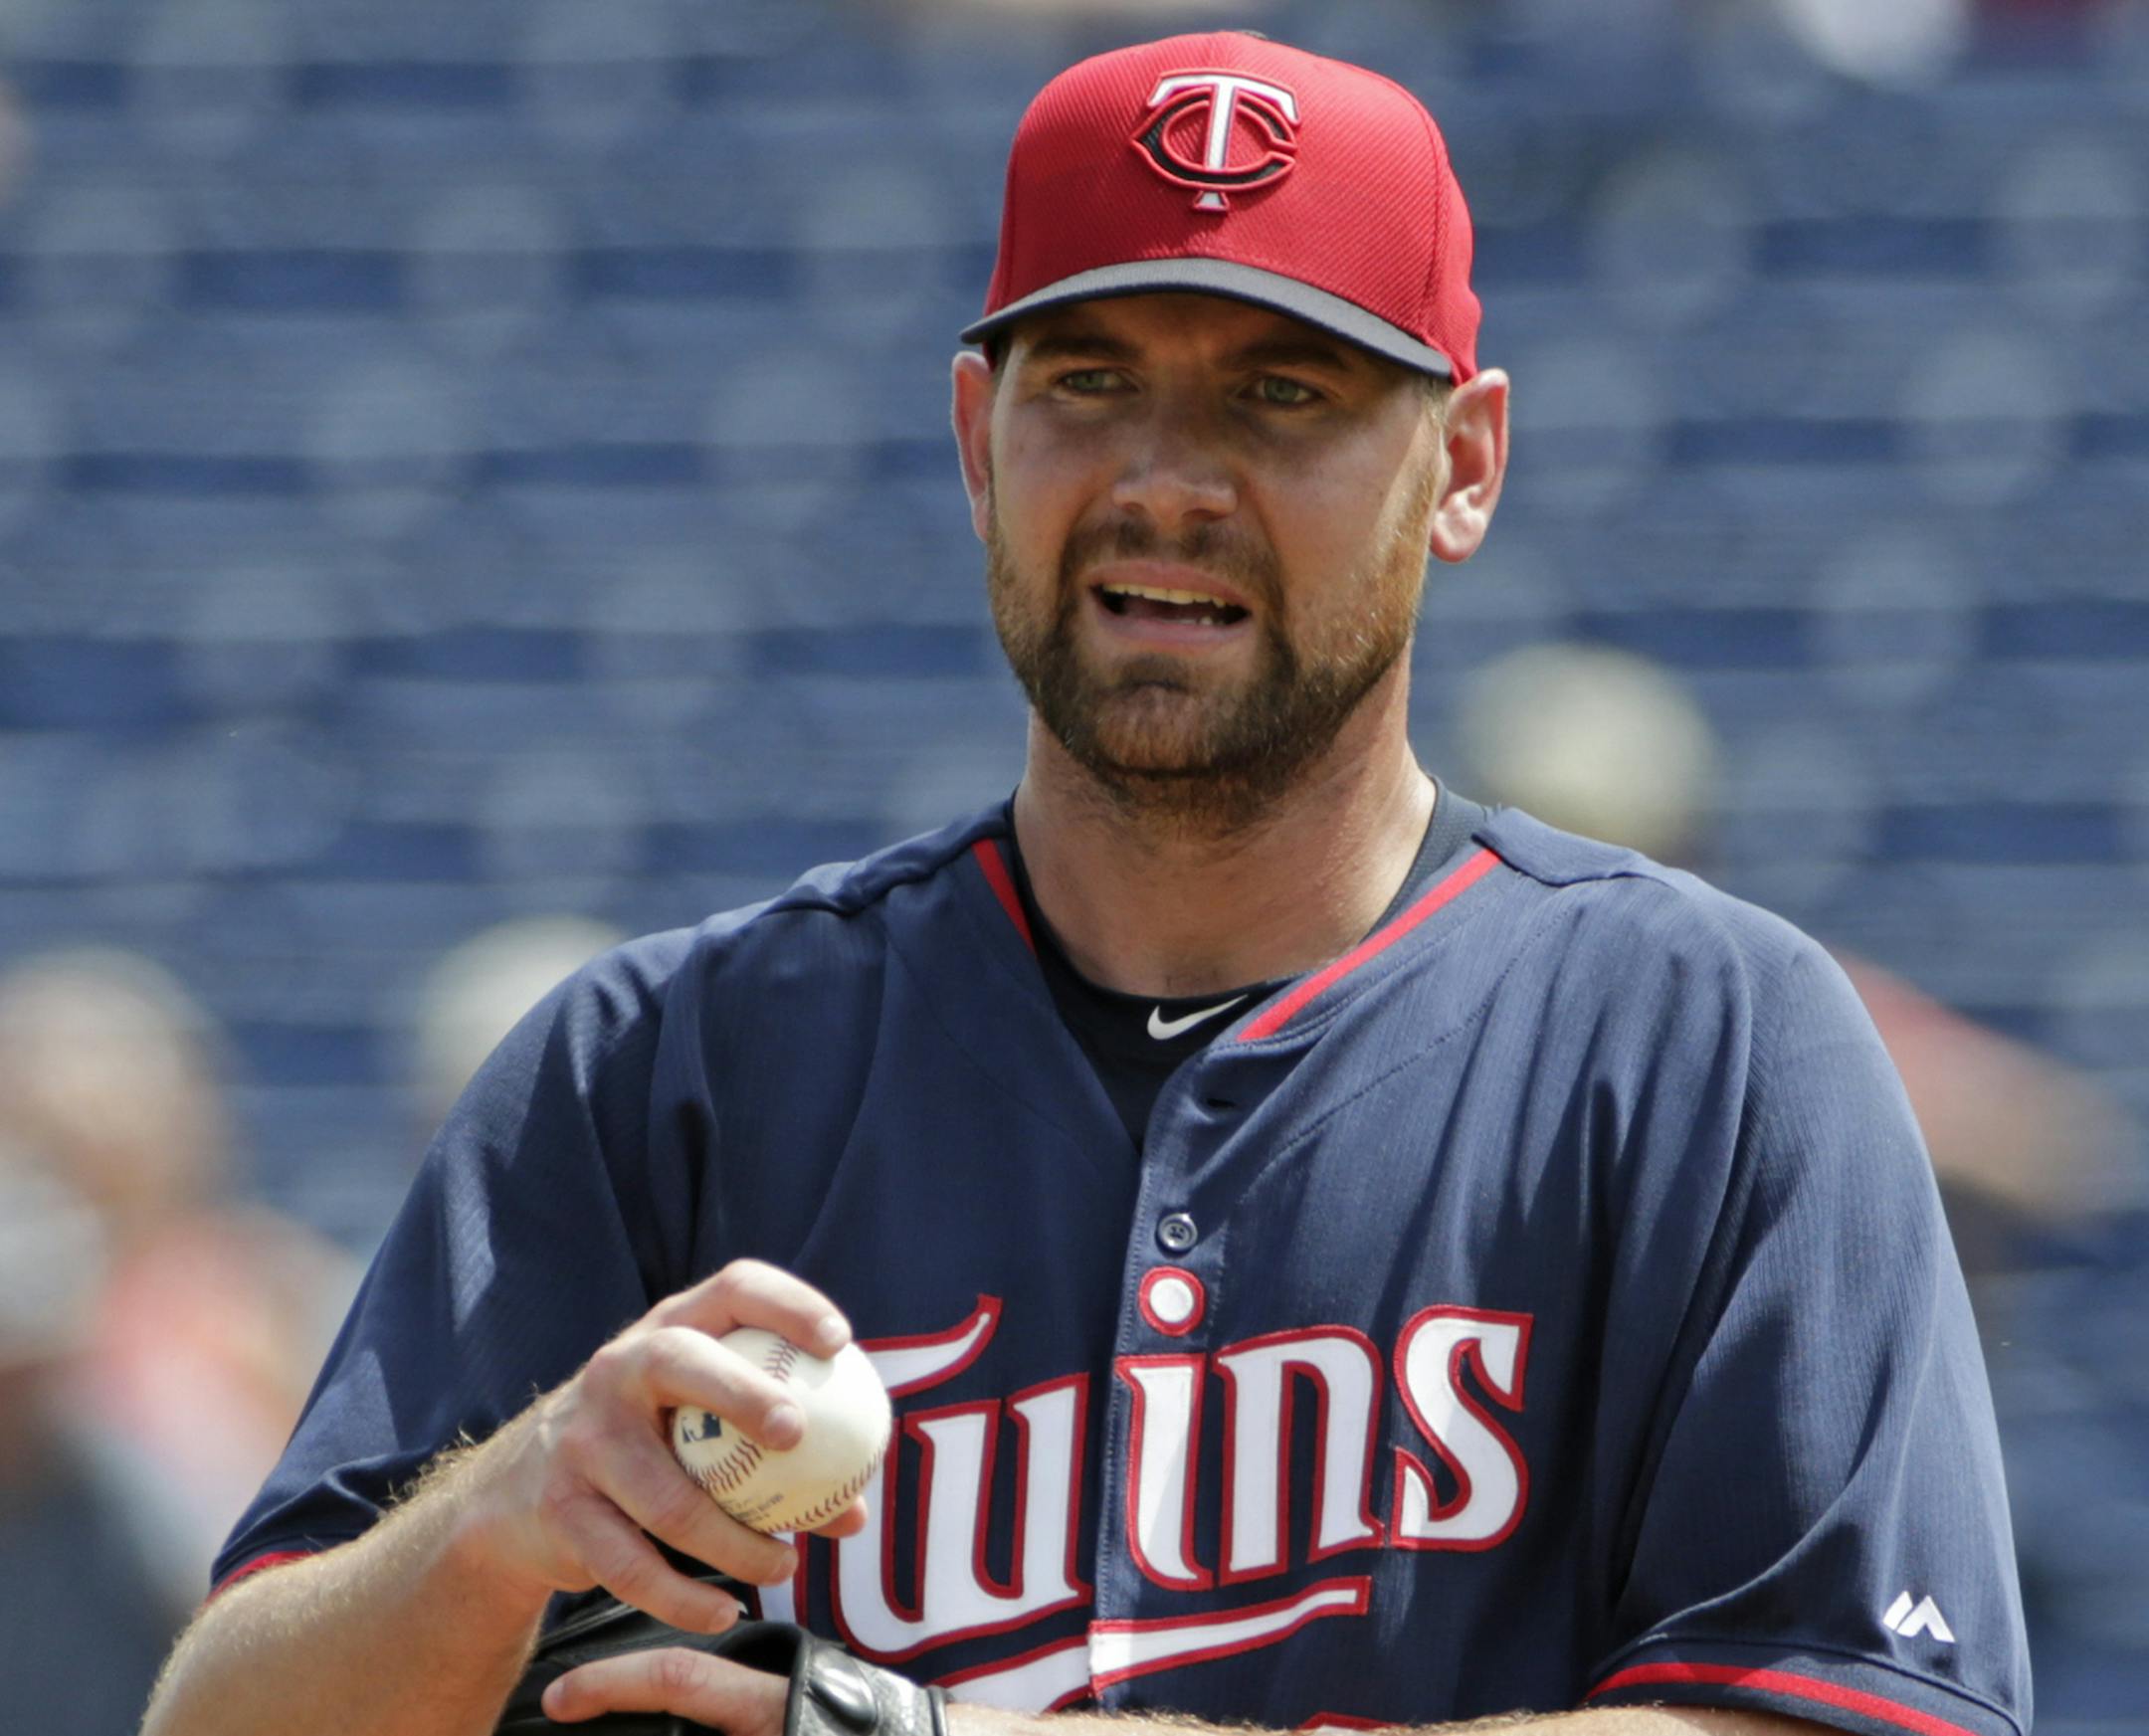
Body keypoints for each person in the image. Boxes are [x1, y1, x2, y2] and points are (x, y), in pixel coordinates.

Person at [141, 32, 2030, 1736]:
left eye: (1284, 395)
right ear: (980, 439)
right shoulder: (664, 1065)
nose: (1165, 479)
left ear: (1462, 466)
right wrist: (498, 1509)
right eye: (1092, 381)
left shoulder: (1703, 1044)